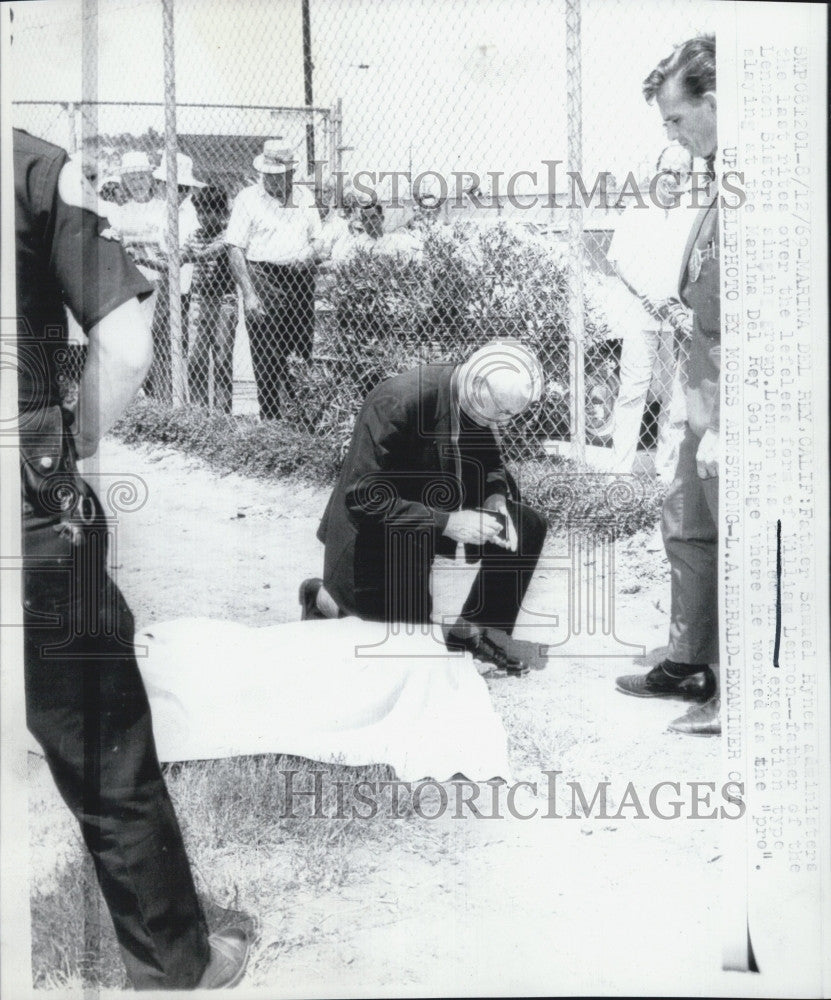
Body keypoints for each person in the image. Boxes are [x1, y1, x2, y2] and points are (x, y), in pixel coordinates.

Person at [13, 129, 252, 987]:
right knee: (99, 731)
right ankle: (170, 962)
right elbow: (127, 346)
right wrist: (67, 445)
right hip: (20, 485)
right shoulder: (30, 167)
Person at [301, 341, 549, 673]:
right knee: (403, 651)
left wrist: (495, 499)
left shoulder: (474, 398)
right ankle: (322, 598)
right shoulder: (399, 401)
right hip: (374, 534)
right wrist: (449, 523)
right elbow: (363, 498)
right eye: (501, 412)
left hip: (423, 516)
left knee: (524, 523)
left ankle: (479, 632)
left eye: (509, 415)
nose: (502, 421)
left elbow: (491, 461)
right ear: (477, 386)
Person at [615, 35, 721, 736]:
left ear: (711, 104)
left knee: (736, 527)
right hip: (699, 371)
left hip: (729, 382)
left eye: (677, 121)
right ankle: (689, 660)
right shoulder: (716, 177)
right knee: (684, 515)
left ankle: (735, 689)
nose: (674, 139)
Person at [607, 144, 695, 481]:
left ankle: (666, 470)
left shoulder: (691, 215)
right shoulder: (636, 211)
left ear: (688, 178)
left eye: (679, 172)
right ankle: (620, 471)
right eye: (667, 169)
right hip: (640, 314)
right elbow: (618, 260)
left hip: (677, 319)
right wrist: (645, 295)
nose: (671, 178)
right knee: (632, 391)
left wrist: (676, 305)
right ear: (655, 169)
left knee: (676, 398)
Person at [225, 141, 323, 420]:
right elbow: (235, 248)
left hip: (300, 279)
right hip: (263, 278)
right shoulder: (248, 198)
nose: (270, 180)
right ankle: (270, 418)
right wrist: (249, 294)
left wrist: (307, 256)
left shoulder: (304, 197)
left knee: (301, 349)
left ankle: (301, 417)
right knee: (267, 353)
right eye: (266, 174)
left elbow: (318, 241)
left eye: (277, 175)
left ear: (291, 174)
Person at [145, 150, 204, 402]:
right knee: (159, 337)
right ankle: (163, 395)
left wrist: (154, 257)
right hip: (167, 281)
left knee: (170, 339)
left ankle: (172, 397)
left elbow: (182, 254)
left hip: (184, 285)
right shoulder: (166, 210)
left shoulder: (189, 213)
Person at [185, 185, 237, 413]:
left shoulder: (228, 234)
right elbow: (174, 261)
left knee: (222, 357)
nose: (206, 218)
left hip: (224, 301)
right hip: (199, 301)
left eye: (211, 212)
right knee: (196, 358)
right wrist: (141, 259)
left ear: (223, 212)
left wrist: (193, 256)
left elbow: (216, 250)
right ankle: (198, 409)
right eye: (201, 212)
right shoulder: (194, 236)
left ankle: (222, 412)